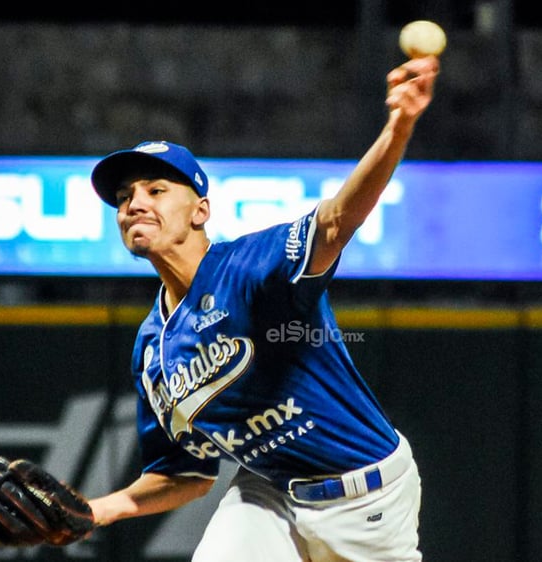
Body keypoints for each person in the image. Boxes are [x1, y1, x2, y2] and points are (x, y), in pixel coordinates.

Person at [86, 55, 439, 562]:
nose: (134, 204)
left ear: (200, 210)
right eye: (124, 197)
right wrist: (98, 510)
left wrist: (399, 125)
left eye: (156, 190)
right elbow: (184, 474)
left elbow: (337, 223)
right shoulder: (151, 347)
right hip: (269, 491)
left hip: (367, 498)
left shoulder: (250, 266)